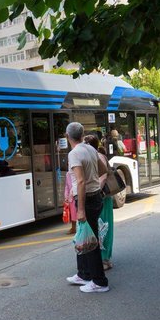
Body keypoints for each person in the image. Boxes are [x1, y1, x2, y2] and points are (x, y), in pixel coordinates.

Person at [64, 122, 109, 293]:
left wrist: (81, 209)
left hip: (86, 200)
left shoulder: (74, 153)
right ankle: (84, 274)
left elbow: (80, 181)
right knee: (84, 235)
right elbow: (103, 168)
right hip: (95, 196)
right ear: (82, 134)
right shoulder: (90, 149)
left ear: (67, 136)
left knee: (90, 241)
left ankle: (99, 281)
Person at [84, 134, 114, 271]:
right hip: (99, 196)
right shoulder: (94, 156)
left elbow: (102, 177)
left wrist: (97, 193)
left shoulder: (99, 157)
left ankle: (105, 259)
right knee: (100, 227)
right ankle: (100, 258)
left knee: (103, 227)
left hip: (101, 197)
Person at [63, 168, 76, 235]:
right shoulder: (68, 174)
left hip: (77, 194)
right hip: (71, 197)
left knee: (78, 213)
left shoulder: (77, 171)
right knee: (72, 213)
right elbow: (66, 186)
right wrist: (66, 196)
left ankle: (78, 228)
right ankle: (73, 228)